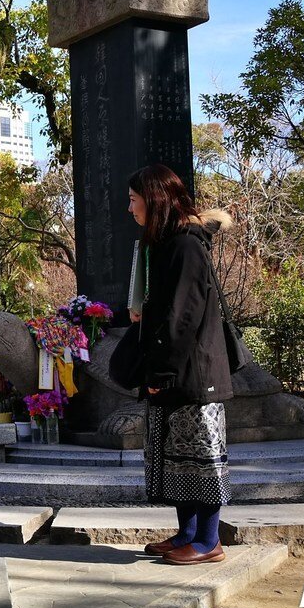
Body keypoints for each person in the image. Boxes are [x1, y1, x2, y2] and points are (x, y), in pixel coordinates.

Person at [125, 164, 235, 566]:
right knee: (176, 456)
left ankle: (209, 541)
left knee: (200, 456)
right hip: (176, 372)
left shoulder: (186, 245)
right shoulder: (168, 242)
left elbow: (182, 318)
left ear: (154, 200)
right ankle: (187, 534)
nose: (130, 208)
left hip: (192, 374)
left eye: (134, 200)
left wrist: (162, 372)